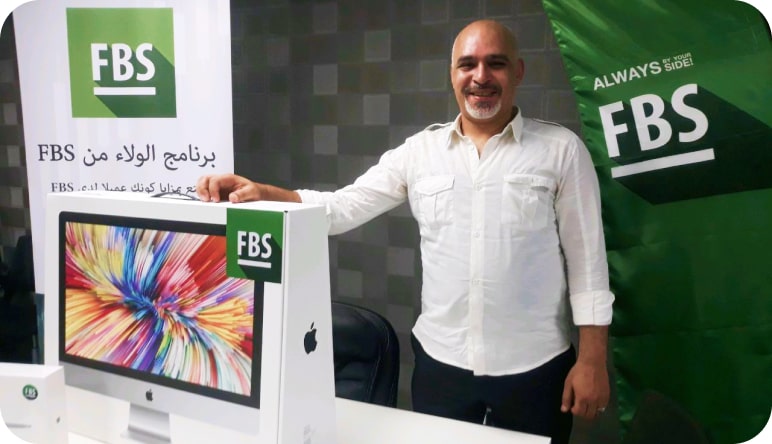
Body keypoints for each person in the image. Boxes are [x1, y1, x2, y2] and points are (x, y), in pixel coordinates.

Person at [197, 19, 613, 444]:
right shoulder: (419, 153)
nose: (481, 77)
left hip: (536, 369)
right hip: (441, 366)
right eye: (467, 64)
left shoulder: (561, 151)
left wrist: (592, 361)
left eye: (496, 63)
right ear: (452, 74)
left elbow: (589, 265)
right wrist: (263, 192)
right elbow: (341, 208)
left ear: (518, 71)